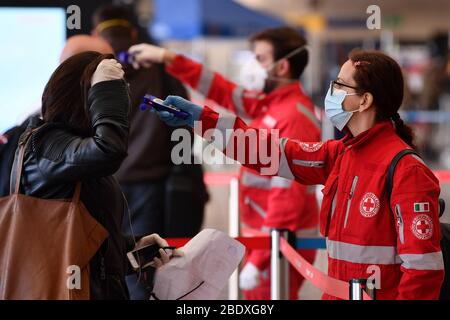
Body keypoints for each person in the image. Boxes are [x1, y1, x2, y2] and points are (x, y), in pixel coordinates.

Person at [150, 49, 445, 300]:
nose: (331, 92)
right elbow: (271, 151)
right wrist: (203, 120)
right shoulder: (341, 154)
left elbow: (424, 271)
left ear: (364, 101)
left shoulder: (406, 170)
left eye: (340, 85)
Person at [129, 26, 320, 300]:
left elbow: (287, 199)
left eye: (260, 59)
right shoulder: (267, 105)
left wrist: (260, 260)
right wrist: (167, 57)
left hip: (280, 245)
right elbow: (219, 88)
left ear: (282, 67)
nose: (253, 66)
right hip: (265, 241)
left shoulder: (294, 117)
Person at [17, 51, 179, 300]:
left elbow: (79, 246)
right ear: (88, 95)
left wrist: (131, 248)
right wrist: (108, 88)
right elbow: (109, 150)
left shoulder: (76, 151)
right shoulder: (45, 142)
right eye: (115, 91)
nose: (124, 100)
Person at [92, 5, 207, 300]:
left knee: (100, 265)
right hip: (151, 188)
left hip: (102, 184)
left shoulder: (91, 72)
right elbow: (184, 131)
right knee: (143, 269)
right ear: (133, 32)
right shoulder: (162, 73)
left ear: (96, 33)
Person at [1, 35, 115, 197]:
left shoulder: (44, 115)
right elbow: (108, 152)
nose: (116, 71)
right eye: (108, 68)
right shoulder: (42, 131)